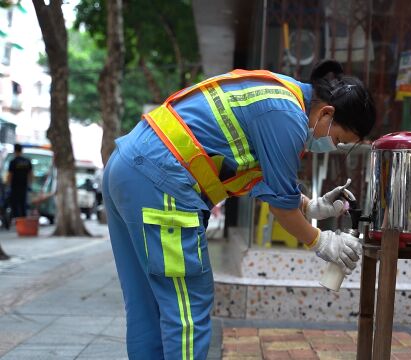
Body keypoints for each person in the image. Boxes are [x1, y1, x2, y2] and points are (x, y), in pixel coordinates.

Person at [102, 60, 376, 359]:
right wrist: (322, 241)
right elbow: (280, 208)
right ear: (327, 113)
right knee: (188, 308)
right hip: (160, 182)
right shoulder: (288, 118)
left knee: (147, 304)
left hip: (128, 169)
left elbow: (266, 179)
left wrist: (313, 206)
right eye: (338, 139)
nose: (331, 146)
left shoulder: (280, 95)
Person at [6, 144, 32, 227]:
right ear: (21, 150)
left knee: (14, 204)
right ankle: (24, 222)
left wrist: (7, 185)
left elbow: (10, 175)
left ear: (15, 151)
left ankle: (17, 221)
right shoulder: (27, 161)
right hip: (24, 186)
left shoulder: (13, 162)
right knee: (23, 204)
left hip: (14, 186)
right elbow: (30, 174)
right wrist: (29, 184)